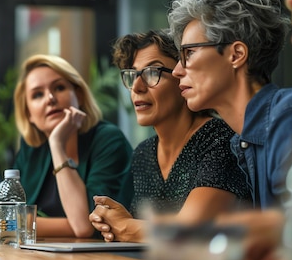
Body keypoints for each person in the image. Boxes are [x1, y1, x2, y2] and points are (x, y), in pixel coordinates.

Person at [167, 0, 292, 260]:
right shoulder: (244, 140)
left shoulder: (286, 117)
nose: (176, 70)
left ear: (236, 54)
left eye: (188, 54)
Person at [88, 30, 251, 242]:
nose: (137, 87)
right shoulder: (144, 153)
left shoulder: (220, 139)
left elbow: (190, 230)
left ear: (183, 76)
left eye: (151, 73)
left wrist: (126, 226)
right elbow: (133, 229)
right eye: (132, 75)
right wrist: (111, 219)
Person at [12, 54, 133, 238]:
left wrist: (57, 144)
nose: (50, 98)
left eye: (59, 88)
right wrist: (69, 226)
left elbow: (85, 226)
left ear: (79, 95)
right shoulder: (31, 149)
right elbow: (7, 218)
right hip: (39, 256)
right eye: (37, 95)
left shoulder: (108, 140)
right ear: (28, 113)